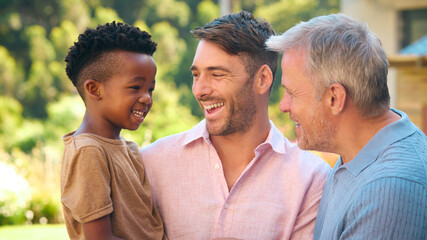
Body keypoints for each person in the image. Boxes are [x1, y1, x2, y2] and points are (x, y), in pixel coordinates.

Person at [140, 11, 331, 240]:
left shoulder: (310, 178)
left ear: (262, 79)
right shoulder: (151, 164)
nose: (200, 90)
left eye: (217, 75)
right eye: (196, 75)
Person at [266, 13, 427, 240]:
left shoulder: (387, 190)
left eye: (291, 93)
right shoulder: (357, 156)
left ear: (334, 98)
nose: (283, 105)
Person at [60, 22, 166, 240]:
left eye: (150, 89)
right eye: (135, 87)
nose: (147, 98)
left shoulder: (129, 149)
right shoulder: (89, 151)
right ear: (94, 89)